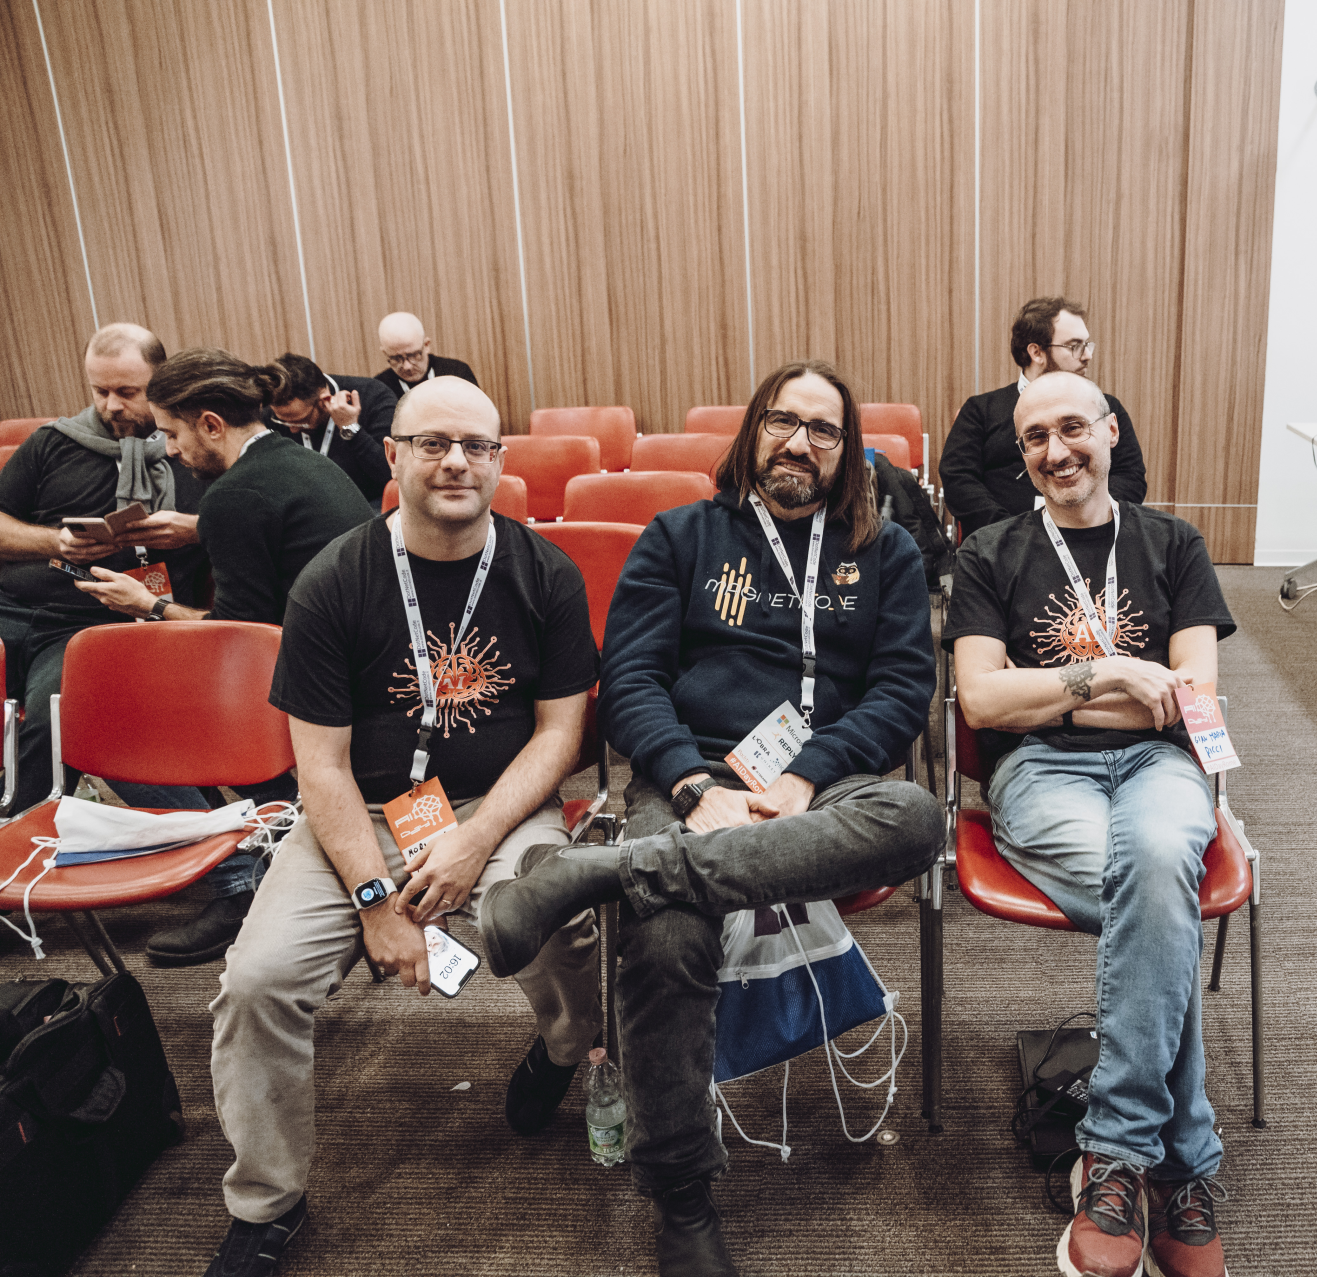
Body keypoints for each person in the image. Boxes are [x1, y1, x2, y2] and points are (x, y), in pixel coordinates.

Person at [477, 359, 943, 1277]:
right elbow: (632, 683)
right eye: (783, 421)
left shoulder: (885, 550)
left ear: (847, 450)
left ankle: (604, 871)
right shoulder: (681, 536)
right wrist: (693, 785)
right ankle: (682, 1194)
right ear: (753, 430)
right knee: (663, 937)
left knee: (918, 816)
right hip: (686, 773)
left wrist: (805, 776)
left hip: (823, 789)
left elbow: (900, 692)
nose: (800, 442)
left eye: (824, 429)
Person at [202, 377, 603, 1277]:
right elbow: (320, 767)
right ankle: (267, 1203)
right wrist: (377, 900)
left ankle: (562, 1047)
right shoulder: (334, 579)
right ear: (392, 455)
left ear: (499, 460)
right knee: (257, 981)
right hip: (361, 814)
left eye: (476, 445)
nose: (456, 461)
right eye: (432, 443)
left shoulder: (545, 573)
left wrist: (475, 839)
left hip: (499, 806)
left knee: (560, 918)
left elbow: (559, 735)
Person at [945, 370, 1237, 1277]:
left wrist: (1043, 693)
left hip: (1162, 764)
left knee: (1155, 862)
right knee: (1159, 890)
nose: (1056, 451)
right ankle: (1182, 1163)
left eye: (1073, 428)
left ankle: (1113, 1152)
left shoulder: (1173, 542)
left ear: (1111, 432)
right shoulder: (989, 552)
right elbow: (981, 702)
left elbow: (1193, 699)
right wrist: (1111, 677)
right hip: (1037, 771)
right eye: (1035, 438)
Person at [73, 348, 373, 965]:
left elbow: (236, 638)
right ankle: (263, 848)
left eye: (172, 434)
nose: (170, 450)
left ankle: (240, 879)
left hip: (317, 689)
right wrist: (200, 527)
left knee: (125, 728)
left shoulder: (236, 495)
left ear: (211, 424)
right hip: (357, 668)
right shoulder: (294, 459)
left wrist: (146, 605)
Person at [0, 323, 211, 817]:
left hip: (94, 623)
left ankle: (17, 834)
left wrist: (193, 531)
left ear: (162, 382)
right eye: (100, 391)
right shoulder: (53, 443)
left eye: (128, 392)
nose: (111, 405)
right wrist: (55, 541)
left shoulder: (193, 451)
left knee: (57, 718)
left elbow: (243, 532)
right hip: (11, 607)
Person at [939, 296, 1148, 535]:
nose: (1087, 355)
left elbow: (1130, 476)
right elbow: (958, 480)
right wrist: (1011, 534)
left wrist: (1087, 523)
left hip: (1090, 539)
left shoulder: (1105, 407)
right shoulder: (980, 410)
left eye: (1087, 344)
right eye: (1074, 345)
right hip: (1004, 543)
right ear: (1036, 352)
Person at [268, 353, 395, 505]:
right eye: (282, 421)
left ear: (325, 400)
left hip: (369, 504)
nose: (293, 430)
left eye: (301, 422)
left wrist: (350, 429)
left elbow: (390, 473)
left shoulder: (374, 395)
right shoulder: (274, 409)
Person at [373, 311, 479, 401]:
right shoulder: (378, 389)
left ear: (426, 345)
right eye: (396, 358)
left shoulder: (457, 373)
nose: (407, 366)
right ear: (385, 353)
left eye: (413, 355)